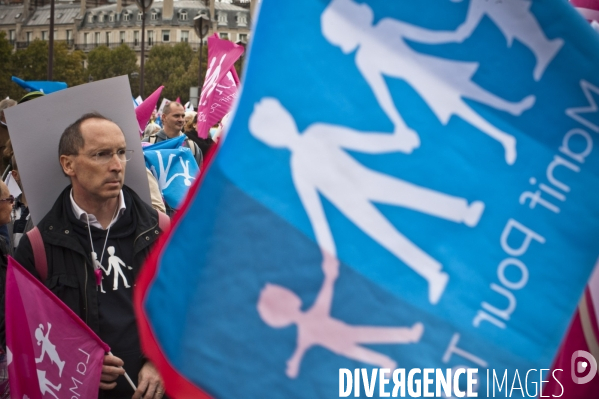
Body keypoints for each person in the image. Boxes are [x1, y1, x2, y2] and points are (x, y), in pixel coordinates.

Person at [14, 112, 166, 398]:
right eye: (101, 154)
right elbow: (19, 330)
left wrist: (159, 360)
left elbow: (187, 309)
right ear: (68, 164)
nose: (116, 165)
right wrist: (75, 363)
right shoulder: (39, 246)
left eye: (121, 152)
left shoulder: (160, 231)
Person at [142, 102, 202, 166]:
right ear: (164, 117)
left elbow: (199, 174)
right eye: (176, 116)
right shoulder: (148, 143)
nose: (181, 120)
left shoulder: (192, 146)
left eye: (183, 116)